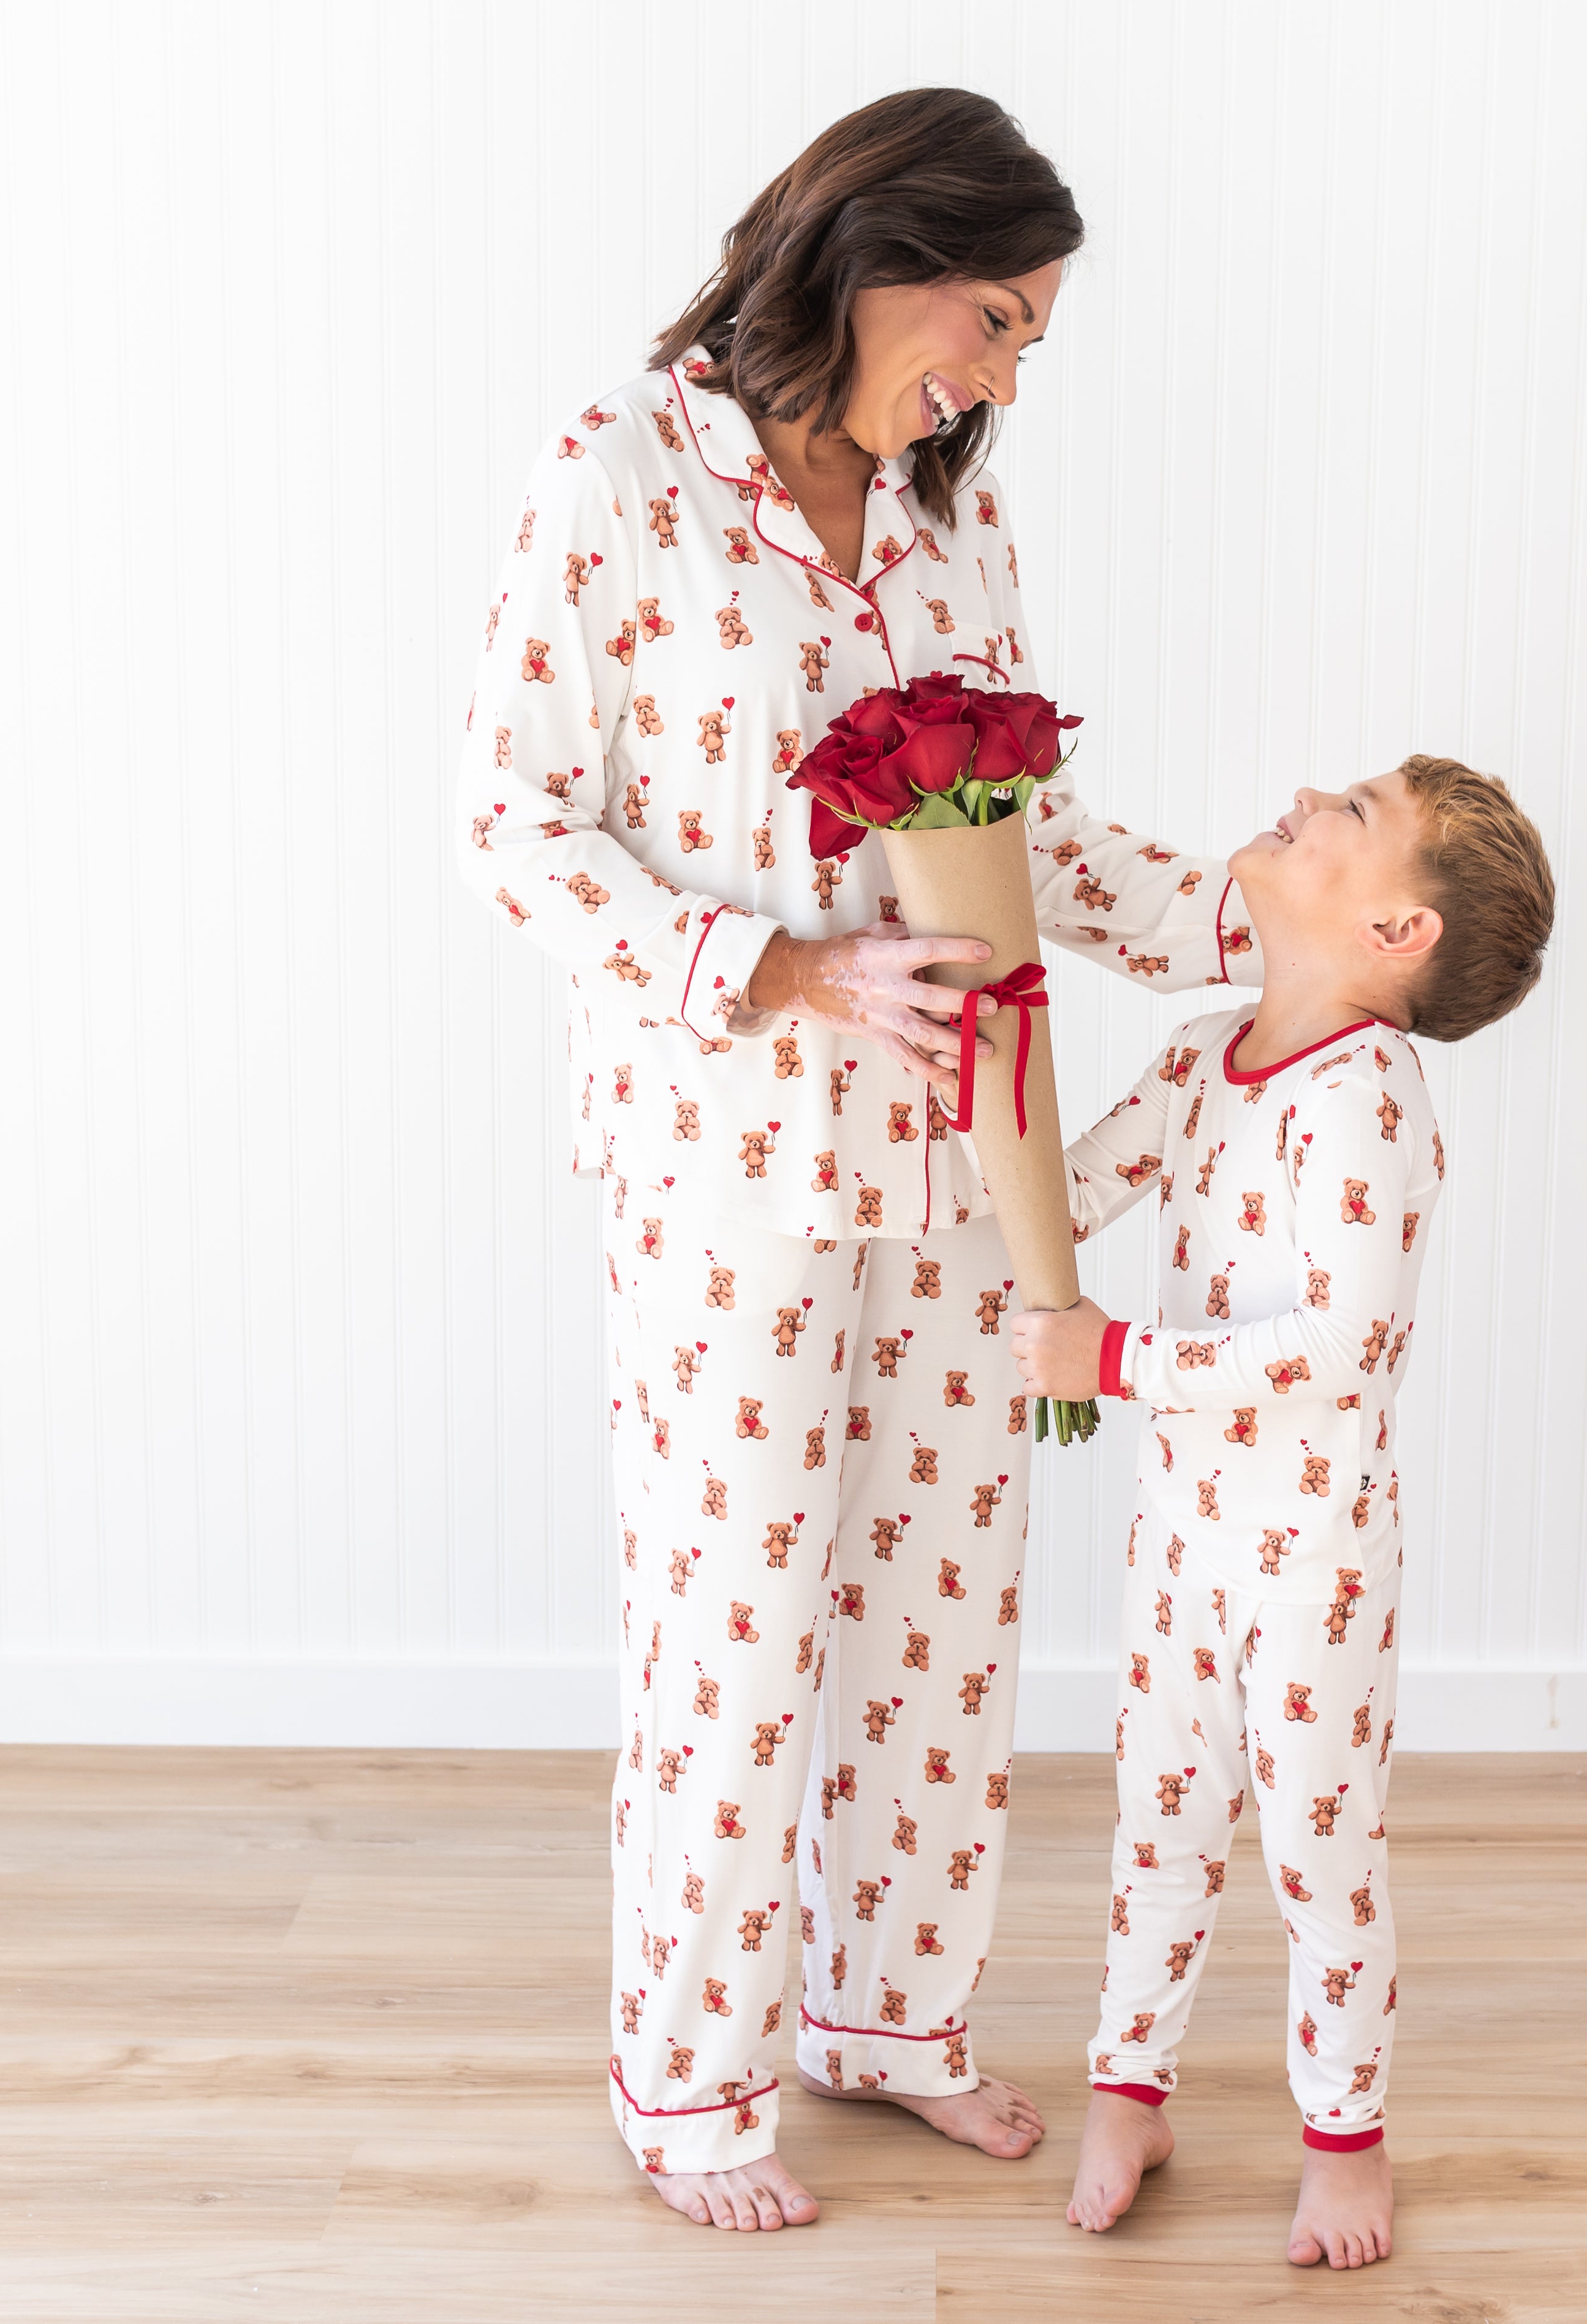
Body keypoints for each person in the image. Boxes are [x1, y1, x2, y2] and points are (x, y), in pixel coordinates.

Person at [451, 88, 1260, 2234]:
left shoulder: (951, 527)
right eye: (991, 320)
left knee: (940, 1621)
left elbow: (1022, 831)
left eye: (1025, 348)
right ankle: (686, 2075)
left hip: (956, 1167)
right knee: (733, 1627)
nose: (996, 379)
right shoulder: (620, 476)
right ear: (872, 249)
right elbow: (512, 822)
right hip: (723, 1168)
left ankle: (885, 2022)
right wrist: (777, 971)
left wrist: (1236, 924)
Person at [1011, 756, 1555, 2269]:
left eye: (1357, 814)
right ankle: (1132, 2087)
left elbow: (1338, 1349)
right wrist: (977, 1085)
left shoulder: (1369, 1102)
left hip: (1311, 1557)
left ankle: (1347, 2141)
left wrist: (1111, 1357)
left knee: (1321, 1853)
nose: (1311, 791)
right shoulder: (1201, 1059)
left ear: (1398, 934)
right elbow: (1062, 1196)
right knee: (1158, 1822)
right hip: (1183, 1540)